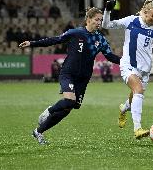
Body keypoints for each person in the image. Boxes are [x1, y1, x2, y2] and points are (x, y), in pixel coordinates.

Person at [19, 7, 120, 144]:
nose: (99, 22)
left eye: (101, 20)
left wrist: (127, 62)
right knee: (70, 101)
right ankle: (50, 110)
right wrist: (32, 43)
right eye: (97, 19)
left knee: (69, 108)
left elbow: (110, 57)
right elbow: (55, 40)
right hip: (68, 73)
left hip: (83, 78)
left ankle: (38, 132)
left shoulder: (100, 39)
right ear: (88, 19)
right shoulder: (76, 32)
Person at [102, 0, 153, 139]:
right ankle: (137, 128)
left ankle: (123, 109)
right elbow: (107, 25)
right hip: (128, 65)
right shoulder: (131, 21)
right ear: (145, 12)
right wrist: (107, 10)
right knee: (138, 90)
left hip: (145, 70)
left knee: (135, 98)